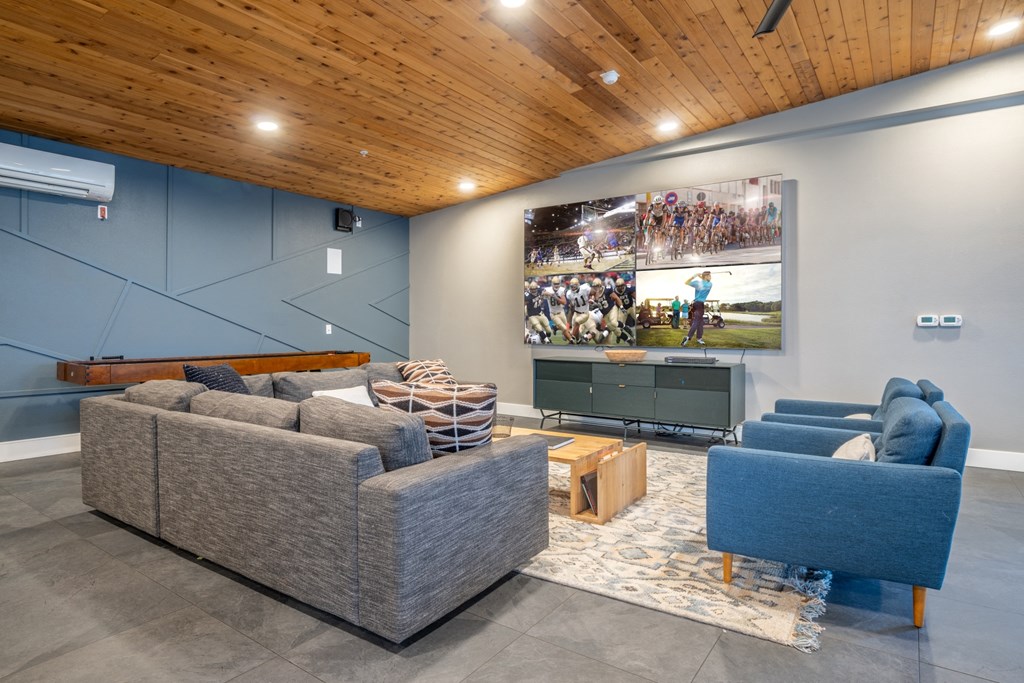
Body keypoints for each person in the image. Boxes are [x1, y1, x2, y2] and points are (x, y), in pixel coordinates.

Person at [681, 271, 712, 347]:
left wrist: (694, 276)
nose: (711, 277)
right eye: (709, 276)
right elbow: (704, 280)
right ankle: (688, 337)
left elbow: (686, 282)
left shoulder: (697, 283)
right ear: (706, 276)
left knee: (700, 322)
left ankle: (699, 338)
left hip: (696, 304)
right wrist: (700, 276)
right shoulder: (710, 284)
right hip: (699, 304)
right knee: (697, 321)